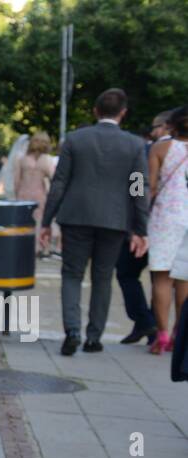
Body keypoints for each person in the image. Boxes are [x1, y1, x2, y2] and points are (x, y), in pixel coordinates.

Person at [40, 88, 150, 355]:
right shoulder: (135, 145)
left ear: (95, 111)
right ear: (123, 113)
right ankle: (93, 337)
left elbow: (59, 183)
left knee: (71, 274)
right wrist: (139, 227)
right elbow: (138, 187)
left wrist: (46, 221)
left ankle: (72, 331)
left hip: (75, 217)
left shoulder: (75, 140)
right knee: (103, 277)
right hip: (115, 220)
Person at [117, 111, 172, 345]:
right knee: (165, 279)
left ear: (166, 127)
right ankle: (158, 329)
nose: (152, 131)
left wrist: (136, 221)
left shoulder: (150, 150)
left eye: (155, 127)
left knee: (127, 272)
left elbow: (137, 186)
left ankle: (146, 322)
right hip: (176, 224)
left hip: (147, 221)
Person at [145, 105, 188, 354]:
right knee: (184, 281)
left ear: (171, 126)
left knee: (161, 279)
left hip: (164, 219)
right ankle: (178, 335)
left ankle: (160, 335)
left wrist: (134, 204)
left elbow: (144, 185)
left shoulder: (159, 148)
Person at [14, 132, 56, 257]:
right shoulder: (48, 160)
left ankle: (23, 247)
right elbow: (54, 178)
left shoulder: (21, 158)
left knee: (24, 222)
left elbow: (17, 180)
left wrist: (17, 195)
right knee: (39, 222)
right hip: (40, 194)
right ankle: (40, 247)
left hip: (23, 194)